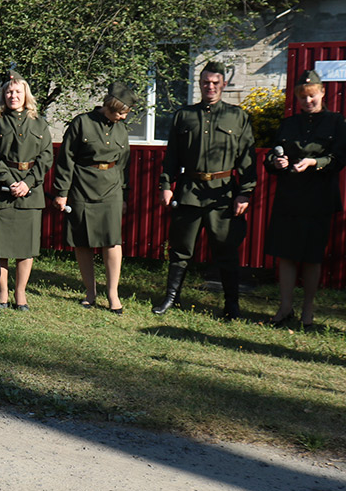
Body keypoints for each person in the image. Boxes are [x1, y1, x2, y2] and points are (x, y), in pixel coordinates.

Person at [154, 61, 257, 319]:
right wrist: (166, 185)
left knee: (226, 250)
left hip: (222, 194)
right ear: (199, 84)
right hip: (189, 190)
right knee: (180, 250)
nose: (210, 87)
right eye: (205, 83)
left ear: (223, 84)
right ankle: (171, 298)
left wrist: (245, 192)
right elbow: (172, 156)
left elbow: (247, 157)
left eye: (215, 83)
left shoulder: (237, 116)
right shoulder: (184, 116)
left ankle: (231, 305)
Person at [262, 69, 346, 328]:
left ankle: (307, 311)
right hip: (289, 197)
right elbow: (270, 158)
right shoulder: (288, 125)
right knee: (285, 255)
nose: (307, 101)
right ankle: (285, 308)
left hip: (317, 199)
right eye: (302, 97)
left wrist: (314, 162)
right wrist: (276, 161)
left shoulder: (336, 122)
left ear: (322, 92)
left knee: (311, 257)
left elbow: (339, 159)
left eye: (311, 96)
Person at [52, 84, 135, 313]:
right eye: (121, 112)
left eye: (126, 113)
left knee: (112, 240)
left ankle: (113, 295)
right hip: (82, 187)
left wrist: (124, 195)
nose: (123, 117)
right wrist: (62, 192)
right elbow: (66, 158)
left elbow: (124, 164)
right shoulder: (82, 123)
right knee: (82, 240)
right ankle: (90, 292)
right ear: (111, 106)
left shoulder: (121, 129)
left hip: (111, 189)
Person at [0, 74, 52, 310]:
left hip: (31, 191)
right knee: (1, 247)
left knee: (26, 248)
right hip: (3, 190)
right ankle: (2, 293)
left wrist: (28, 182)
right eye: (9, 92)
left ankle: (20, 293)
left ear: (26, 96)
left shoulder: (39, 123)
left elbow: (46, 157)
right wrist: (11, 181)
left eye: (18, 92)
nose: (13, 96)